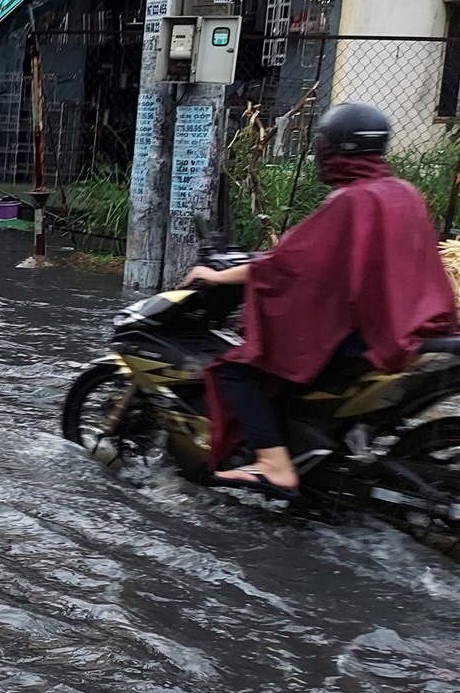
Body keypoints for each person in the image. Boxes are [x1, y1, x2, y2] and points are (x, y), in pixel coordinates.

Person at [190, 103, 458, 496]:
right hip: (412, 325)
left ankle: (274, 464)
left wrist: (217, 275)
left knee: (237, 369)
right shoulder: (404, 192)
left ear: (336, 150)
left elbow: (288, 267)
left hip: (367, 338)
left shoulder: (350, 201)